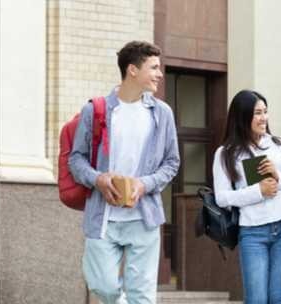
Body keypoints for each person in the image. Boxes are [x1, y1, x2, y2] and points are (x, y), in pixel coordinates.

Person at [69, 40, 180, 304]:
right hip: (103, 217)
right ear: (132, 70)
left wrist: (145, 184)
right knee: (103, 286)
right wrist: (97, 178)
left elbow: (172, 162)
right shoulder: (96, 110)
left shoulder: (161, 114)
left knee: (142, 296)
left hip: (144, 216)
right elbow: (76, 159)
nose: (160, 74)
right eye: (153, 67)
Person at [212, 90, 281, 304]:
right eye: (257, 113)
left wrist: (277, 176)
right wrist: (258, 192)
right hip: (253, 232)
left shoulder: (279, 144)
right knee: (256, 299)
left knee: (277, 297)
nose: (264, 118)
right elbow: (222, 198)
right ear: (242, 116)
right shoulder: (225, 153)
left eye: (265, 112)